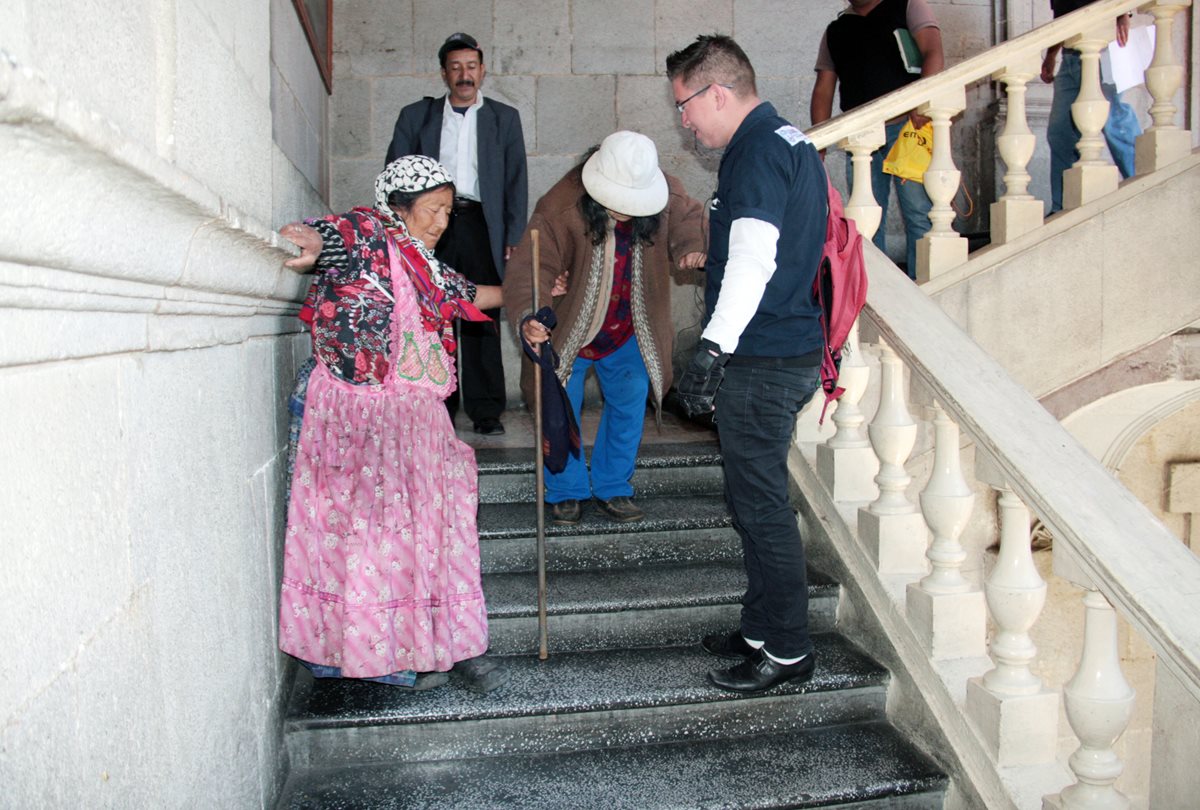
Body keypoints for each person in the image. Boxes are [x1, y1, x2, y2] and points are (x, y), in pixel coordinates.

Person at [276, 155, 507, 694]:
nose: (440, 223)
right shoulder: (367, 235)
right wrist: (309, 241)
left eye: (447, 212)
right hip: (360, 415)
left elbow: (472, 296)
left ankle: (434, 643)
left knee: (424, 538)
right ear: (396, 207)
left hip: (415, 421)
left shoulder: (426, 266)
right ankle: (366, 656)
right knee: (369, 539)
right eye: (431, 210)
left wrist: (534, 294)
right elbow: (329, 237)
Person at [666, 35, 827, 694]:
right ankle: (761, 628)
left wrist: (712, 348)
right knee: (750, 500)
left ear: (719, 93)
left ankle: (787, 650)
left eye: (685, 104)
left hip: (763, 357)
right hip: (780, 349)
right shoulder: (787, 140)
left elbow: (758, 258)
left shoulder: (757, 150)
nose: (684, 120)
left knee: (760, 508)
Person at [503, 131, 705, 525]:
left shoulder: (668, 192)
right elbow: (534, 265)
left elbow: (690, 220)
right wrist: (531, 314)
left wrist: (691, 246)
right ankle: (565, 489)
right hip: (569, 327)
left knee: (629, 406)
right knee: (560, 410)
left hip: (631, 325)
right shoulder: (561, 204)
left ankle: (613, 486)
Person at [386, 32, 528, 436]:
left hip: (483, 224)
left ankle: (486, 410)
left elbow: (517, 180)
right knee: (430, 310)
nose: (464, 75)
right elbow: (394, 172)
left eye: (471, 66)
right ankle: (437, 403)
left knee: (482, 314)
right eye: (455, 67)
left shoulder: (505, 118)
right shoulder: (417, 116)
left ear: (482, 71)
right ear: (444, 73)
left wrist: (513, 233)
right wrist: (401, 230)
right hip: (431, 224)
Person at [810, 0, 945, 278]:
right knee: (866, 220)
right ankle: (882, 292)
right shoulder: (836, 29)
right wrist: (819, 139)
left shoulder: (907, 5)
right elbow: (824, 88)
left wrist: (923, 102)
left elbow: (933, 51)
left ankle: (925, 287)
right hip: (861, 138)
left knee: (919, 212)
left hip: (908, 129)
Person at [1043, 2, 1142, 212]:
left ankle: (1142, 180)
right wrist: (1052, 54)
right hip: (1070, 56)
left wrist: (1124, 12)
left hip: (1101, 47)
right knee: (1060, 132)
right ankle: (1062, 205)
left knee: (1113, 120)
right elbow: (1063, 15)